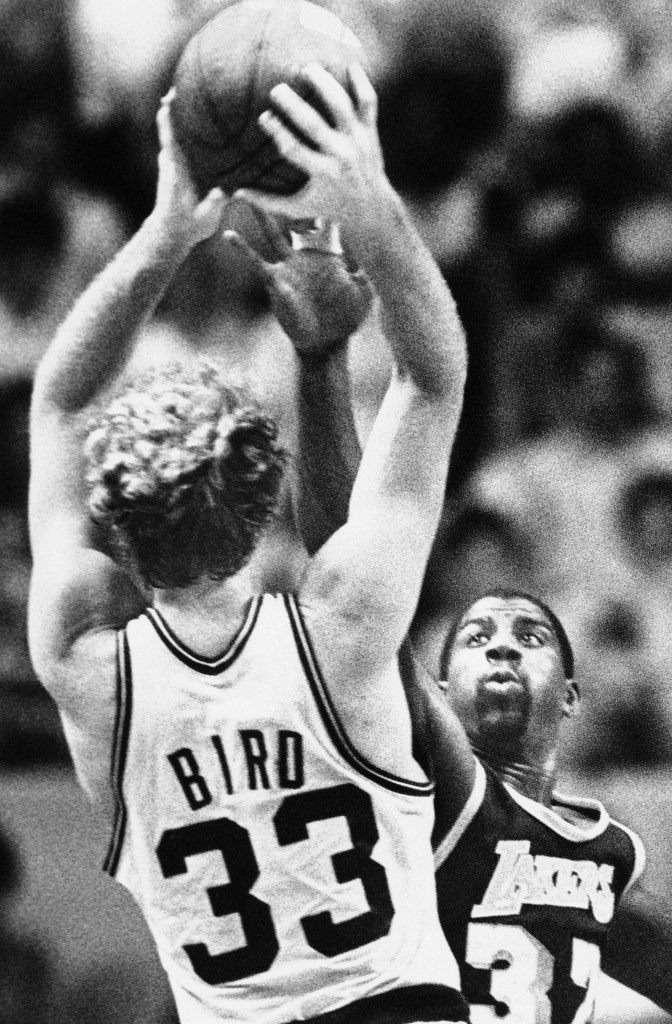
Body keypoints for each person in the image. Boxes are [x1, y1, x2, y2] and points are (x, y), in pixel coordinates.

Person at [27, 63, 470, 1024]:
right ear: (265, 496)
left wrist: (164, 232)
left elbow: (58, 402)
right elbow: (432, 380)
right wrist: (370, 197)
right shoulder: (343, 626)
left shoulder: (87, 665)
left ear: (116, 522)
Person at [274, 272, 672, 1021]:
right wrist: (322, 360)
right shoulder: (434, 787)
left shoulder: (607, 855)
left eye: (530, 636)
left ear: (573, 692)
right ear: (442, 688)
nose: (500, 648)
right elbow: (350, 575)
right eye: (477, 636)